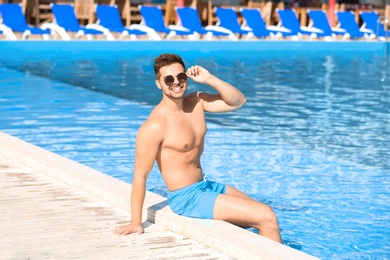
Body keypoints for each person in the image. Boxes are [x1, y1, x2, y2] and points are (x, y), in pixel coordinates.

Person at [114, 53, 282, 243]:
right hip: (187, 197)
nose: (176, 83)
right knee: (266, 216)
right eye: (168, 79)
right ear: (158, 83)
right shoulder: (155, 125)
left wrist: (210, 79)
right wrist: (135, 222)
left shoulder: (197, 102)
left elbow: (238, 101)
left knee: (261, 211)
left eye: (181, 77)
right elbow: (140, 175)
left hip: (205, 186)